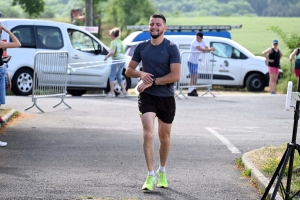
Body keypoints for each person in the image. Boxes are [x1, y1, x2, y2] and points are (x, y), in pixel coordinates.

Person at [125, 14, 181, 191]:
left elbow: (175, 75)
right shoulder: (142, 47)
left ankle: (162, 171)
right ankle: (150, 175)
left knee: (164, 137)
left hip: (166, 97)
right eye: (151, 24)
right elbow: (129, 70)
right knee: (148, 134)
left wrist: (153, 81)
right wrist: (141, 75)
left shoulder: (172, 48)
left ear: (165, 28)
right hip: (147, 96)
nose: (154, 26)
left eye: (158, 24)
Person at [0, 25, 21, 146]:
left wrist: (7, 77)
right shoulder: (0, 43)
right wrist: (8, 31)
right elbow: (18, 43)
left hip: (2, 71)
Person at [187, 31, 215, 97]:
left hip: (196, 61)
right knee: (193, 76)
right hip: (191, 61)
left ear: (201, 38)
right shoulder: (194, 42)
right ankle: (190, 90)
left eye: (198, 37)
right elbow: (200, 49)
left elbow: (206, 48)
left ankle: (193, 88)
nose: (197, 38)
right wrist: (210, 49)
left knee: (195, 76)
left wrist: (209, 49)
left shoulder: (203, 41)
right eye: (196, 37)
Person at [104, 28, 127, 97]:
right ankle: (124, 91)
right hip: (123, 60)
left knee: (112, 75)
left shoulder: (114, 42)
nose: (109, 36)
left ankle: (112, 92)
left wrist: (106, 57)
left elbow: (112, 52)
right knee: (119, 76)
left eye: (110, 35)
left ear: (113, 35)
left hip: (116, 60)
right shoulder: (120, 41)